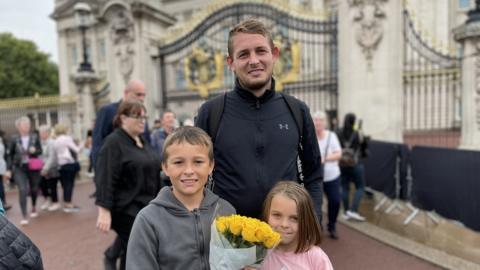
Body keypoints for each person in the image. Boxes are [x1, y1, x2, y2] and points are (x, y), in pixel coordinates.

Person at [195, 18, 323, 219]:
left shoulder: (297, 110)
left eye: (260, 51)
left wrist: (313, 219)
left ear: (274, 54)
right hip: (228, 240)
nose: (254, 60)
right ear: (231, 63)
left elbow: (313, 173)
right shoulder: (211, 112)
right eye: (243, 54)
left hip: (285, 237)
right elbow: (194, 174)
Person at [126, 126, 235, 270]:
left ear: (211, 166)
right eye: (178, 162)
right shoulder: (148, 219)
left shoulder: (226, 211)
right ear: (165, 167)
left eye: (198, 162)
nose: (189, 171)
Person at [95, 101, 162, 270]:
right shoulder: (114, 142)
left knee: (131, 247)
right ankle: (111, 256)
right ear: (123, 118)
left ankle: (111, 255)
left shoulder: (141, 141)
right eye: (137, 116)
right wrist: (104, 210)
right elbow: (105, 176)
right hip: (125, 207)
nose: (142, 121)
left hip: (145, 205)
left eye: (144, 116)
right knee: (139, 247)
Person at [91, 79, 150, 270]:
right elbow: (100, 151)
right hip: (122, 194)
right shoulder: (109, 115)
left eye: (144, 95)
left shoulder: (139, 128)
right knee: (136, 242)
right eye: (138, 95)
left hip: (142, 193)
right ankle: (112, 256)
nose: (142, 99)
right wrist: (103, 204)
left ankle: (112, 254)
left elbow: (147, 153)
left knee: (133, 242)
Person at [259, 181, 333, 270]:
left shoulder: (317, 258)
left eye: (294, 218)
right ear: (267, 214)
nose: (284, 224)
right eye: (277, 215)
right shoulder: (258, 253)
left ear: (306, 221)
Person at [5, 116, 42, 225]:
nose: (27, 126)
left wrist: (34, 151)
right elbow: (9, 155)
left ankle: (34, 206)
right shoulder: (14, 139)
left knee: (34, 188)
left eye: (28, 124)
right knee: (23, 189)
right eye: (25, 124)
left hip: (32, 167)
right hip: (19, 168)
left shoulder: (35, 137)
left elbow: (40, 151)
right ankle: (24, 215)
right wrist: (8, 169)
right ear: (19, 127)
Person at [313, 111, 342, 239]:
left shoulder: (332, 136)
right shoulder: (309, 136)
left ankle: (332, 225)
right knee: (315, 204)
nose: (318, 122)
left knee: (335, 201)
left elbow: (338, 154)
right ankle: (318, 226)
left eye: (320, 120)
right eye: (315, 120)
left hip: (332, 176)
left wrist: (324, 158)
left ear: (325, 122)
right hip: (315, 177)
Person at [337, 113, 368, 222]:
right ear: (354, 121)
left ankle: (346, 212)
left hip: (341, 164)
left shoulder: (338, 132)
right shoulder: (357, 133)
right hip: (355, 164)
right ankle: (353, 210)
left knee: (344, 188)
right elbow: (364, 146)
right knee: (360, 187)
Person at [53, 124, 80, 213]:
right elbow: (76, 150)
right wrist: (82, 145)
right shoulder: (67, 138)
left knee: (65, 184)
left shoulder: (55, 141)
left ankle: (66, 202)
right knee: (70, 184)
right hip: (69, 163)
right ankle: (68, 203)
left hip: (60, 165)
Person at [39, 125, 61, 212]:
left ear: (47, 133)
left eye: (42, 132)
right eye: (40, 133)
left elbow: (52, 157)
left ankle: (55, 202)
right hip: (41, 167)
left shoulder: (52, 142)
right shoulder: (40, 142)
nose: (41, 134)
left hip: (52, 168)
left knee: (52, 186)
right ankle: (47, 200)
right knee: (42, 185)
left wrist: (45, 168)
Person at [0, 130, 11, 212]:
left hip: (1, 165)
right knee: (1, 185)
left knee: (1, 185)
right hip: (1, 166)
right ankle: (3, 202)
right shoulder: (2, 142)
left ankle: (3, 203)